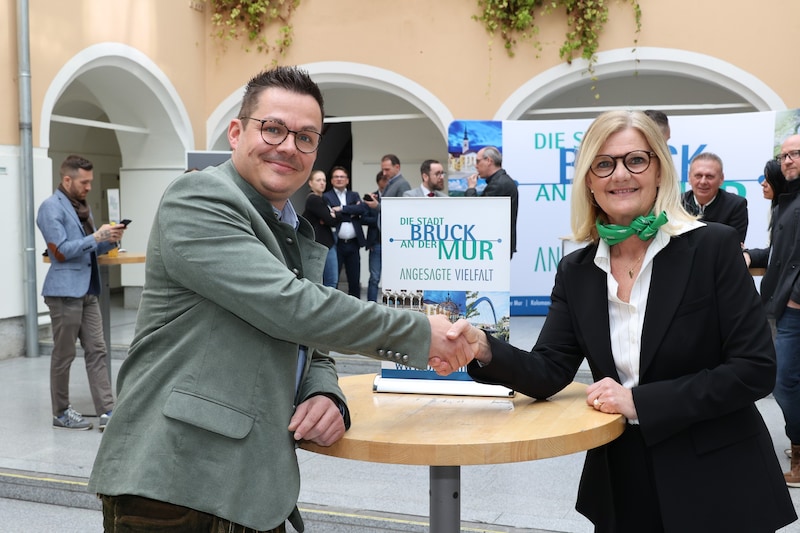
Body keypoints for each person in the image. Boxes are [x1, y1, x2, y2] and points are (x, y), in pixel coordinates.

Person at [88, 66, 473, 533]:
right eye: (272, 128)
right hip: (177, 482)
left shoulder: (284, 225)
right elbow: (291, 306)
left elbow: (308, 339)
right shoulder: (199, 197)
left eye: (306, 137)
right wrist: (419, 331)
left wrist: (324, 392)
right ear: (236, 132)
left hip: (251, 490)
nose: (289, 146)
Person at [438, 110, 797, 532]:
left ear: (660, 170)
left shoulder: (712, 247)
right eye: (604, 164)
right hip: (623, 484)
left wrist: (639, 401)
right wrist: (484, 348)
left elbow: (754, 371)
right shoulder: (577, 270)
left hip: (720, 483)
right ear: (589, 180)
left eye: (636, 160)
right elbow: (549, 370)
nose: (620, 175)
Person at [36, 155, 126, 431]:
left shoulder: (82, 209)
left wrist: (109, 240)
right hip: (64, 294)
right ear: (67, 180)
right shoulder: (51, 208)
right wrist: (95, 237)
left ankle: (107, 411)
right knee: (63, 355)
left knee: (97, 351)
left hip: (88, 290)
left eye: (90, 182)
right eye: (84, 182)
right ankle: (61, 413)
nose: (88, 187)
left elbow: (87, 248)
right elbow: (60, 251)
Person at [745, 134, 800, 487]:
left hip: (793, 307)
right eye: (784, 156)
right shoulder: (787, 201)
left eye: (794, 154)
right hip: (783, 305)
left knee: (783, 383)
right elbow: (782, 252)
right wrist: (750, 256)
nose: (787, 161)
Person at [681, 152, 748, 245]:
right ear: (689, 177)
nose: (703, 181)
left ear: (721, 179)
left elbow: (733, 246)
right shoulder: (677, 203)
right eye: (698, 176)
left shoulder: (735, 205)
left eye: (709, 176)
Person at [466, 146, 519, 258]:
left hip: (496, 246)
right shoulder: (501, 180)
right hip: (499, 244)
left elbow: (475, 212)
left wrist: (471, 188)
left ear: (489, 161)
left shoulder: (498, 184)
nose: (476, 165)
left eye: (478, 161)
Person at [323, 166, 367, 298]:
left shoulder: (353, 195)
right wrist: (351, 211)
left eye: (342, 177)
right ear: (331, 180)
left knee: (354, 279)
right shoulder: (326, 196)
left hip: (353, 244)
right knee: (333, 279)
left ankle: (357, 310)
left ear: (347, 180)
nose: (339, 179)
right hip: (336, 244)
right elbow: (330, 216)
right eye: (336, 177)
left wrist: (341, 209)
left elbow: (362, 209)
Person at [302, 169, 338, 287]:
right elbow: (332, 221)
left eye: (324, 180)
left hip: (326, 243)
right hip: (320, 244)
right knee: (329, 281)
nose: (322, 183)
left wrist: (329, 217)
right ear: (310, 183)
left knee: (329, 281)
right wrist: (333, 215)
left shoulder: (323, 200)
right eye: (318, 180)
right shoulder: (314, 199)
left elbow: (328, 220)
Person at [362, 171, 388, 302]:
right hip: (376, 243)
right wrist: (379, 216)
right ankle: (372, 305)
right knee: (374, 277)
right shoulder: (371, 197)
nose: (386, 183)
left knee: (391, 278)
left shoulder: (392, 197)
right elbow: (364, 219)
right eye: (384, 180)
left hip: (392, 244)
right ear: (379, 182)